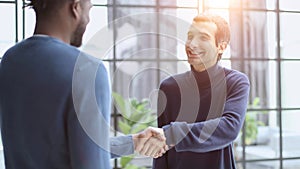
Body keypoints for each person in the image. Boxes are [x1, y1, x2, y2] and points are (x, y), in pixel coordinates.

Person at [0, 0, 166, 169]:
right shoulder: (86, 70)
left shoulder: (10, 61)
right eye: (89, 10)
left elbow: (52, 147)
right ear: (76, 7)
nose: (88, 20)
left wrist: (132, 142)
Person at [153, 14, 250, 169]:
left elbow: (229, 127)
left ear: (221, 47)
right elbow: (161, 151)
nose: (192, 44)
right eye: (190, 36)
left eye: (203, 38)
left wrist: (173, 133)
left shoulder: (235, 82)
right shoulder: (169, 87)